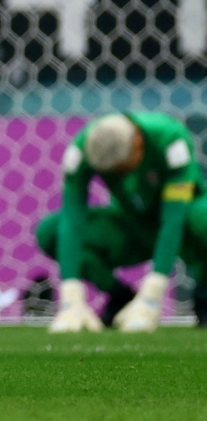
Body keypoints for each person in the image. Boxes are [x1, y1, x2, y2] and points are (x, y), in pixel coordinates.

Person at [39, 113, 207, 333]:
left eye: (122, 169)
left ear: (138, 142)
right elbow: (72, 219)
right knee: (50, 232)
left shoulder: (170, 139)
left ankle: (204, 290)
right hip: (131, 226)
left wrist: (153, 293)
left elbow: (173, 218)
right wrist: (71, 296)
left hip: (186, 226)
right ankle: (121, 298)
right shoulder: (81, 151)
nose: (118, 177)